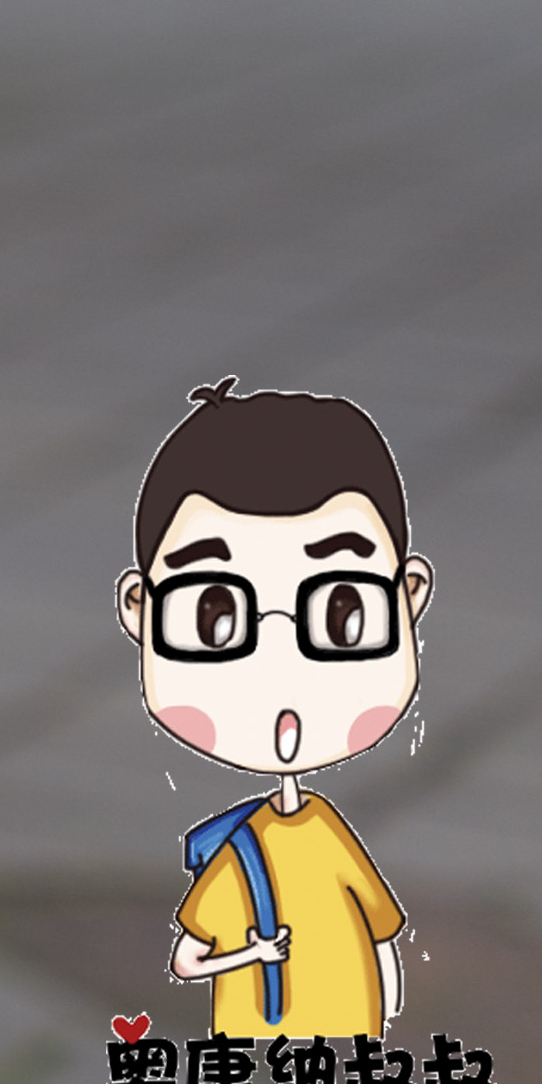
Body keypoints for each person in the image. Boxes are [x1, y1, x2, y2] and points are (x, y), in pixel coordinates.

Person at [127, 377, 427, 1039]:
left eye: (342, 610)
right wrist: (250, 956)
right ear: (139, 612)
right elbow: (188, 954)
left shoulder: (312, 833)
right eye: (214, 614)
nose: (280, 674)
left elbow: (376, 927)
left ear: (408, 600)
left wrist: (385, 994)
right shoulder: (238, 853)